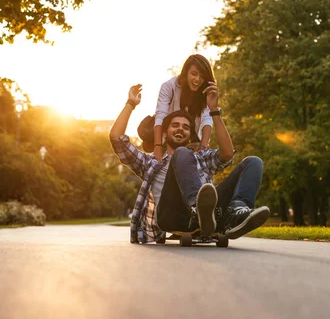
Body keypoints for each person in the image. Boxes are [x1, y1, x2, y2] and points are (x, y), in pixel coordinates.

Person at [109, 82, 270, 244]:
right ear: (164, 133)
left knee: (253, 162)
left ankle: (236, 212)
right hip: (171, 217)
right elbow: (117, 139)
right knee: (181, 153)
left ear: (189, 135)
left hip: (210, 218)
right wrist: (130, 104)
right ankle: (196, 208)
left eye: (186, 127)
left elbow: (227, 154)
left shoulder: (200, 157)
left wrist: (214, 111)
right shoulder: (151, 161)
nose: (181, 129)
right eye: (175, 125)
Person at [148, 54, 216, 161]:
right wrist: (158, 146)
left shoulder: (207, 91)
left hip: (194, 141)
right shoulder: (169, 86)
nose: (197, 79)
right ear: (186, 72)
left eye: (202, 76)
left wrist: (203, 148)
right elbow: (160, 115)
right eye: (194, 74)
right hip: (169, 140)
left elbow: (207, 119)